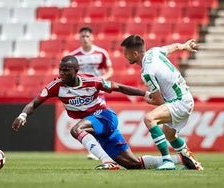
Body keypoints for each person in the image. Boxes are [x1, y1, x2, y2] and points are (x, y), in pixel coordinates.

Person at [12, 55, 181, 170]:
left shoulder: (92, 81)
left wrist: (144, 93)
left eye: (66, 70)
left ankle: (107, 161)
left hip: (105, 117)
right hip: (95, 126)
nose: (61, 73)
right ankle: (179, 159)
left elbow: (119, 87)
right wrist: (23, 115)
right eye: (60, 69)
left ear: (76, 71)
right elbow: (34, 103)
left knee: (76, 130)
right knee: (133, 165)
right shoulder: (56, 86)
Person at [120, 35, 204, 170]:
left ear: (135, 53)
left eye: (126, 54)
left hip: (180, 101)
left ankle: (167, 160)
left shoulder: (147, 72)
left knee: (149, 119)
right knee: (169, 133)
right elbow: (175, 46)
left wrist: (149, 99)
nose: (125, 57)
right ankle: (192, 163)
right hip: (186, 97)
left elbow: (159, 101)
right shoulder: (154, 52)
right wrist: (185, 46)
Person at [69, 26, 114, 160]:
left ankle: (99, 148)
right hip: (83, 94)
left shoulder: (101, 53)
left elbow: (110, 70)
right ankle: (94, 149)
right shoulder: (75, 55)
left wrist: (101, 80)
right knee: (87, 121)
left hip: (98, 92)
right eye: (83, 36)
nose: (85, 38)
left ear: (92, 37)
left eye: (88, 36)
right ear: (79, 38)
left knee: (98, 118)